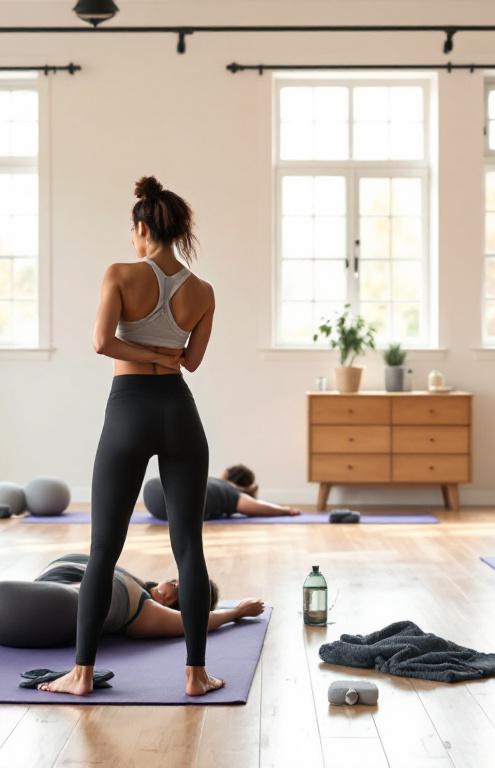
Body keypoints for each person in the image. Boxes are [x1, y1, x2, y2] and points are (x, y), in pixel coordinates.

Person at [41, 176, 218, 697]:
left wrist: (146, 351)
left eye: (134, 231)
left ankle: (81, 674)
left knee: (103, 550)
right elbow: (192, 361)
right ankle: (197, 675)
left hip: (129, 411)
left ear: (142, 228)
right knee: (189, 545)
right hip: (180, 411)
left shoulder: (120, 273)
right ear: (178, 229)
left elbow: (103, 343)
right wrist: (166, 354)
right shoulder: (202, 291)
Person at [0, 554, 264, 649]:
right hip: (41, 592)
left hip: (59, 604)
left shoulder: (145, 611)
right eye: (174, 580)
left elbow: (197, 623)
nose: (169, 584)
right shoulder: (137, 584)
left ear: (174, 601)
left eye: (176, 587)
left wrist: (237, 612)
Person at [142, 464, 304, 520]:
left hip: (151, 491)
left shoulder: (217, 483)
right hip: (167, 503)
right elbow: (257, 507)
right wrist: (286, 510)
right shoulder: (229, 491)